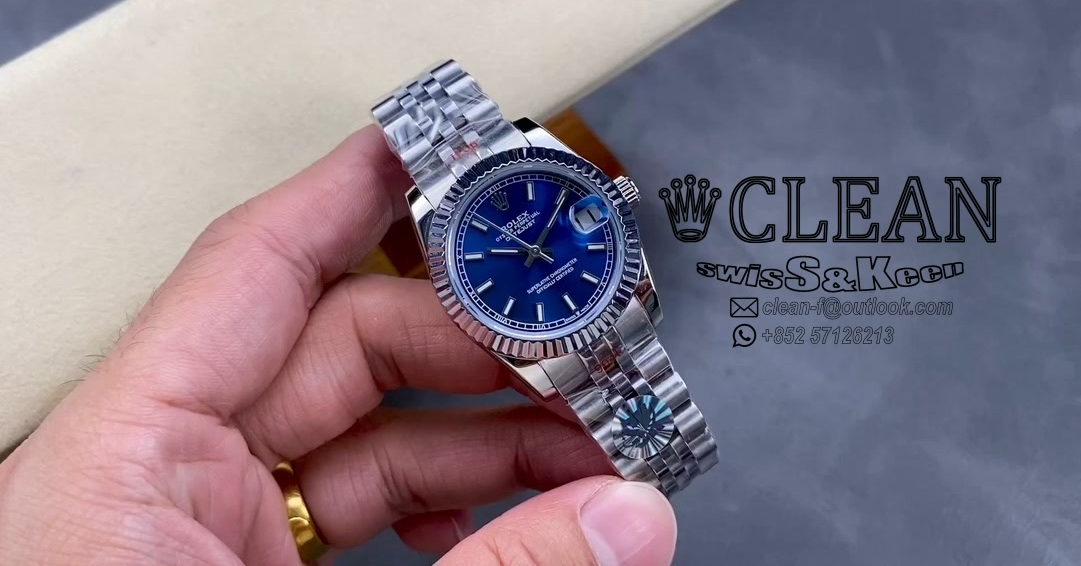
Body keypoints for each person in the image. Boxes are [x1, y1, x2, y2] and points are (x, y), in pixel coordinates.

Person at [0, 128, 678, 565]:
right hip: (548, 319)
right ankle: (665, 449)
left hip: (582, 302)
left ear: (611, 197)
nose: (533, 252)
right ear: (452, 288)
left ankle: (667, 446)